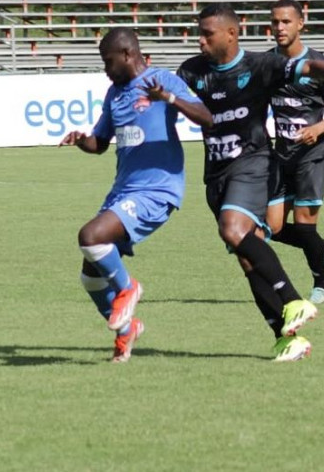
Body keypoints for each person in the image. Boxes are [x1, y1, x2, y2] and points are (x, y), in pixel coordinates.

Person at [177, 3, 324, 362]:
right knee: (249, 257)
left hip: (255, 165)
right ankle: (285, 337)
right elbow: (167, 97)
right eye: (198, 33)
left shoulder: (261, 66)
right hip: (216, 174)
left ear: (231, 33)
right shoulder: (192, 71)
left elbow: (310, 66)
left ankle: (300, 295)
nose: (199, 40)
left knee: (236, 230)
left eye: (206, 34)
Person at [59, 27, 214, 363]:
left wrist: (169, 98)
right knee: (90, 277)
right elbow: (100, 143)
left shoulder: (162, 80)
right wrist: (81, 140)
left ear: (128, 55)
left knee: (89, 236)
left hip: (158, 188)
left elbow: (208, 118)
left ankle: (128, 289)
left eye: (108, 61)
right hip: (123, 191)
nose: (105, 68)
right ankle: (126, 332)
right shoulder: (114, 94)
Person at [267, 0, 324, 305]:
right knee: (271, 228)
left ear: (300, 24)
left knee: (304, 225)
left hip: (312, 158)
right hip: (280, 155)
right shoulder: (267, 64)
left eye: (286, 21)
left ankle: (321, 282)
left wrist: (318, 129)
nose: (279, 27)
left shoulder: (318, 65)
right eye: (275, 22)